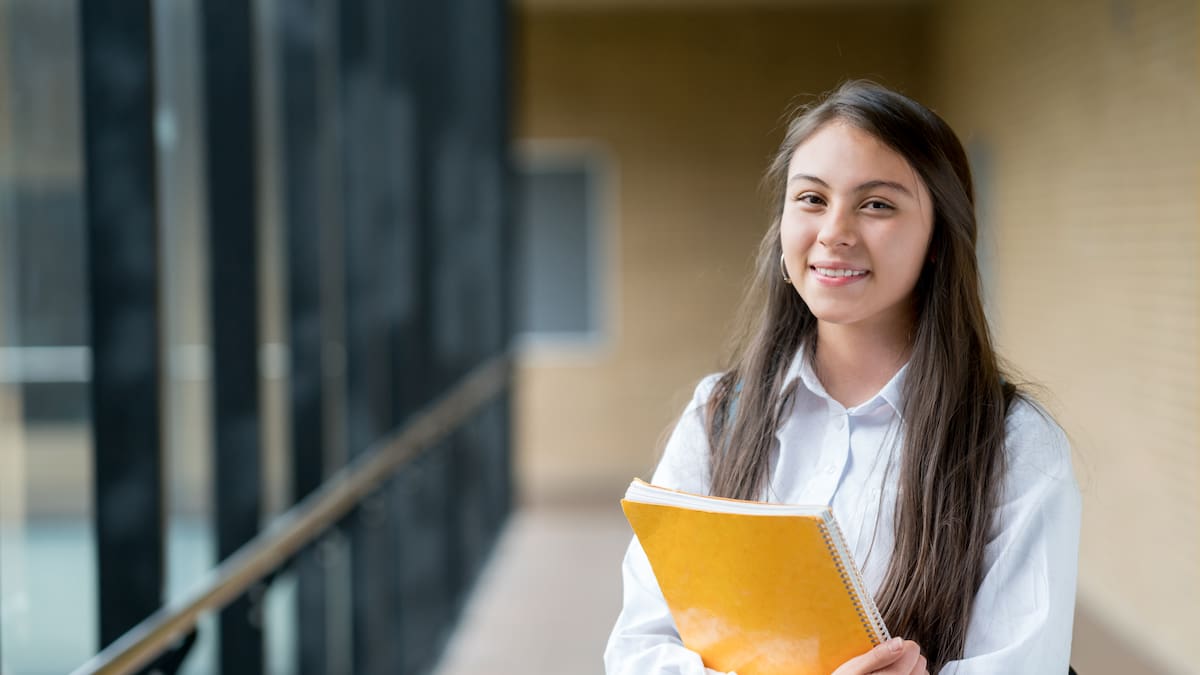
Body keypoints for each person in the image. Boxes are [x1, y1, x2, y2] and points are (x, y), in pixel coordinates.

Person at [603, 80, 1081, 675]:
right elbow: (639, 648)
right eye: (810, 199)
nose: (834, 231)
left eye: (877, 204)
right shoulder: (718, 416)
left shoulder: (1014, 444)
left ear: (938, 240)